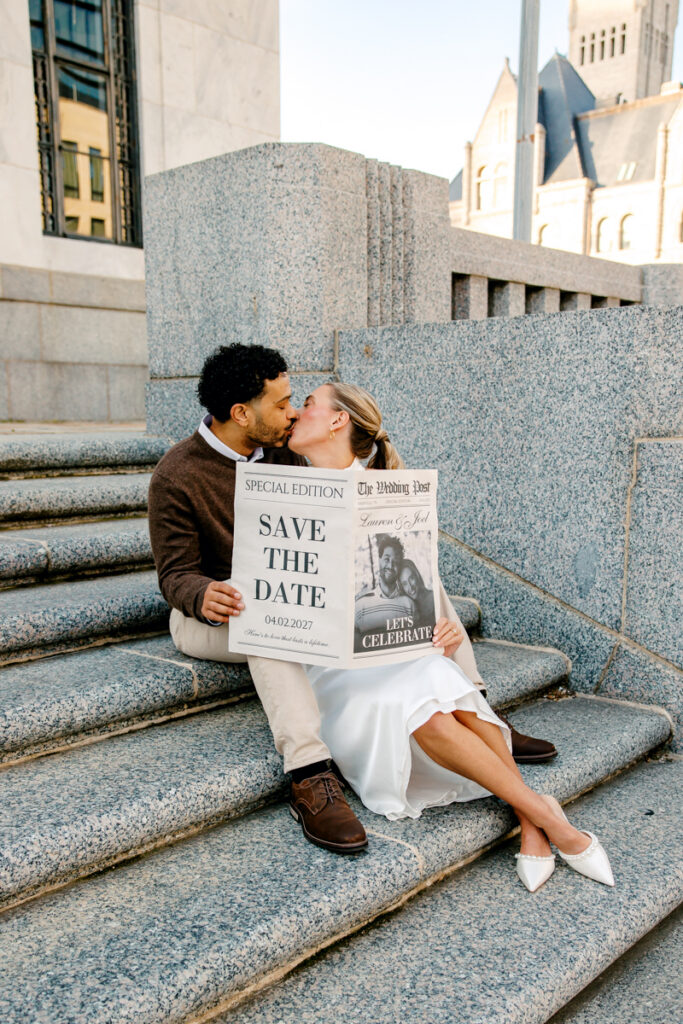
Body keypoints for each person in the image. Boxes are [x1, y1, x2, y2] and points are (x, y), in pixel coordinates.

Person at [286, 382, 614, 891]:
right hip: (336, 667)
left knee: (436, 684)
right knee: (426, 703)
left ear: (337, 421)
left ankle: (536, 819)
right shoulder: (285, 491)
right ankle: (547, 817)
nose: (296, 412)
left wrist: (433, 622)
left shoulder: (390, 490)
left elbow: (420, 582)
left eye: (309, 403)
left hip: (398, 647)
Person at [148, 344, 368, 855]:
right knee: (269, 622)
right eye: (282, 403)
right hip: (208, 617)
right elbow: (174, 574)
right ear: (241, 413)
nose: (293, 412)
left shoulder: (284, 452)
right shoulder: (176, 474)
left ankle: (476, 709)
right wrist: (202, 593)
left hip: (283, 596)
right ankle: (311, 776)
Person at [399, 558, 435, 630]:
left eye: (411, 578)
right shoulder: (407, 607)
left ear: (417, 576)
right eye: (405, 584)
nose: (410, 587)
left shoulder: (433, 597)